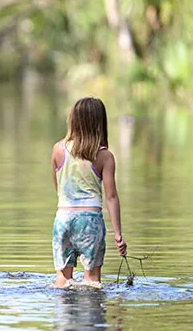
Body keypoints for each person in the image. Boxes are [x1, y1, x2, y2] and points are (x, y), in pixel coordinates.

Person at [51, 97, 128, 287]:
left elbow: (58, 190)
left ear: (73, 120)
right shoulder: (104, 156)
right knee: (92, 282)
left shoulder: (58, 149)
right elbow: (111, 197)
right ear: (100, 122)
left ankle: (64, 315)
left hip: (63, 218)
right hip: (90, 221)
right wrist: (118, 234)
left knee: (62, 280)